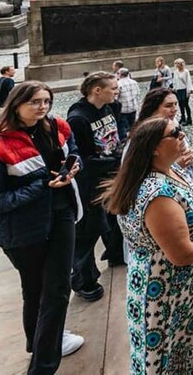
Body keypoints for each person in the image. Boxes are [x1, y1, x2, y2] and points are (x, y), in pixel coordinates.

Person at [0, 81, 85, 373]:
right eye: (34, 102)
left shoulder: (57, 127)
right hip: (23, 231)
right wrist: (40, 188)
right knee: (35, 289)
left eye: (46, 100)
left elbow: (72, 152)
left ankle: (41, 357)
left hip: (61, 215)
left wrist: (73, 166)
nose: (42, 106)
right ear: (16, 105)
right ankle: (39, 349)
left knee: (57, 289)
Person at [102, 118, 193, 373]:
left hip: (178, 286)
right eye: (174, 133)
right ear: (154, 147)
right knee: (162, 358)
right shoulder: (157, 194)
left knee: (180, 351)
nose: (181, 134)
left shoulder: (169, 170)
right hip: (163, 290)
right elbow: (182, 254)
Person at [67, 71, 123, 300]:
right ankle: (83, 280)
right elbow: (83, 159)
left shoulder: (109, 108)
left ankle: (116, 253)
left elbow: (114, 138)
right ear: (97, 90)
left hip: (111, 175)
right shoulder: (78, 119)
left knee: (115, 218)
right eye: (112, 88)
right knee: (88, 231)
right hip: (90, 184)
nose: (116, 91)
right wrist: (116, 160)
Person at [134, 88, 193, 185]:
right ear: (153, 109)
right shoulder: (141, 136)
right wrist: (176, 166)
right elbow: (139, 176)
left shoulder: (174, 122)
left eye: (175, 104)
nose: (175, 109)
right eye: (168, 105)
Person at [116, 68, 140, 140]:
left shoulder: (118, 84)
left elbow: (116, 97)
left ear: (120, 74)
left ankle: (124, 141)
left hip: (123, 109)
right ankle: (135, 138)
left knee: (122, 127)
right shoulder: (134, 82)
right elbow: (138, 94)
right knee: (133, 125)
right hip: (133, 107)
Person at [173, 58, 193, 126]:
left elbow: (188, 81)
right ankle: (183, 117)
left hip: (185, 90)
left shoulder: (186, 72)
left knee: (186, 104)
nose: (177, 65)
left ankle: (189, 119)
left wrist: (189, 91)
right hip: (178, 90)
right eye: (176, 64)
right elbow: (175, 81)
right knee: (180, 104)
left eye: (178, 64)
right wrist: (174, 89)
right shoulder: (175, 72)